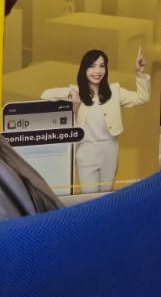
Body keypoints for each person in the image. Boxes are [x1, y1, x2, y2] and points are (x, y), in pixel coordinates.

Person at [40, 48, 150, 194]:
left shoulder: (115, 91)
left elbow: (142, 97)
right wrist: (70, 92)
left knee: (106, 195)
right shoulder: (76, 91)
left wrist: (140, 73)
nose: (97, 71)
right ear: (84, 69)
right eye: (92, 66)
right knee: (89, 196)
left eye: (101, 66)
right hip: (86, 151)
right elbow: (45, 95)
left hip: (110, 150)